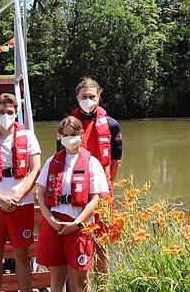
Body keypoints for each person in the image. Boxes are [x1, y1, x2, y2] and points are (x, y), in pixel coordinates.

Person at [0, 93, 41, 292]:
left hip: (22, 204)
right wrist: (1, 199)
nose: (6, 115)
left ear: (17, 113)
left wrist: (17, 197)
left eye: (10, 112)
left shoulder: (28, 136)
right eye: (2, 112)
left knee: (22, 256)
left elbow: (35, 170)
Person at [36, 117, 109, 292]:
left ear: (81, 135)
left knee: (81, 279)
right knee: (57, 279)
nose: (70, 138)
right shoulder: (51, 161)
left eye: (74, 134)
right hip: (54, 224)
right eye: (66, 135)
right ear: (59, 136)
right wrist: (52, 220)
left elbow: (96, 199)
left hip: (79, 225)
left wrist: (77, 224)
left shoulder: (92, 163)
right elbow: (40, 194)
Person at [67, 77, 123, 275]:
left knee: (101, 243)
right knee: (76, 242)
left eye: (92, 96)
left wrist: (105, 184)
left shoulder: (112, 125)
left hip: (102, 192)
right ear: (77, 98)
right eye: (84, 97)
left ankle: (102, 287)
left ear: (99, 97)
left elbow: (116, 160)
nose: (88, 100)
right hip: (75, 190)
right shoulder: (68, 127)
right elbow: (61, 158)